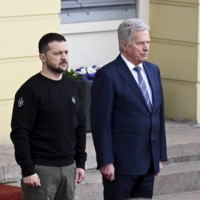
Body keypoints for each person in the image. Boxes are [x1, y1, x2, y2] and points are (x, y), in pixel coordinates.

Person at [90, 18, 167, 200]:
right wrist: (106, 160)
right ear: (124, 45)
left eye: (148, 42)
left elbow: (158, 114)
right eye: (140, 43)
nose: (146, 47)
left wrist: (160, 155)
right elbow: (101, 122)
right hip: (121, 165)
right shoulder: (108, 75)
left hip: (148, 161)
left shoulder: (153, 70)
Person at [10, 33, 87, 200]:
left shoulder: (72, 86)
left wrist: (80, 163)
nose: (64, 57)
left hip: (69, 168)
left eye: (66, 52)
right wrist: (28, 169)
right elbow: (19, 132)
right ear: (42, 57)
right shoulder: (30, 90)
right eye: (58, 53)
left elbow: (80, 127)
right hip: (41, 170)